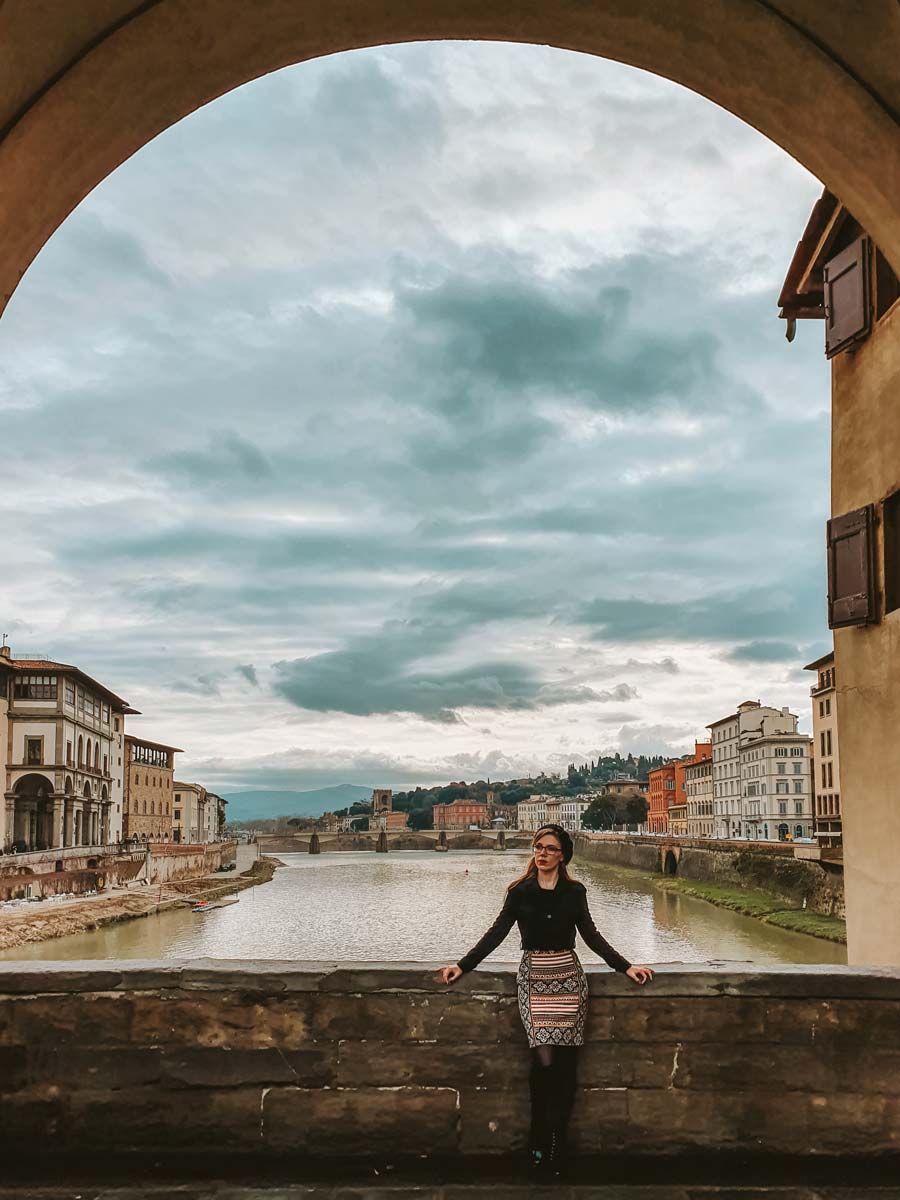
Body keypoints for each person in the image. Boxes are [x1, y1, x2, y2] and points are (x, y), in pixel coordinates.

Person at [439, 823, 653, 1174]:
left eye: (550, 848)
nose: (542, 853)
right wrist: (462, 966)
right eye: (538, 846)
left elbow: (592, 936)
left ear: (562, 855)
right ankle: (538, 1140)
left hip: (568, 978)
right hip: (534, 979)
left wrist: (625, 967)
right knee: (543, 1065)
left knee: (567, 1069)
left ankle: (558, 1144)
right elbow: (495, 934)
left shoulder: (575, 892)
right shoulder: (519, 891)